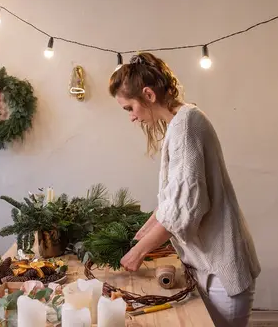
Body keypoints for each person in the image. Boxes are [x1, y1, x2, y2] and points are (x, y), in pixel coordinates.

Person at [109, 52, 260, 327]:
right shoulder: (183, 121)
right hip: (207, 266)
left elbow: (184, 210)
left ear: (148, 95)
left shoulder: (186, 127)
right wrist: (148, 228)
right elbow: (177, 199)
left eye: (129, 108)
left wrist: (137, 253)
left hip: (220, 272)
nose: (131, 117)